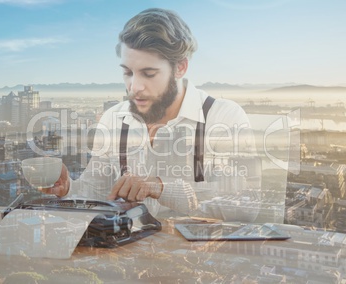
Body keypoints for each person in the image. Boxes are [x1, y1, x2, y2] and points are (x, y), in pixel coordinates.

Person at [48, 8, 261, 221]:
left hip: (202, 253)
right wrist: (68, 188)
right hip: (130, 252)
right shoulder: (113, 119)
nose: (135, 87)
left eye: (148, 74)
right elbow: (95, 192)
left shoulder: (224, 117)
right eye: (128, 73)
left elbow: (244, 208)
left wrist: (161, 188)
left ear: (180, 67)